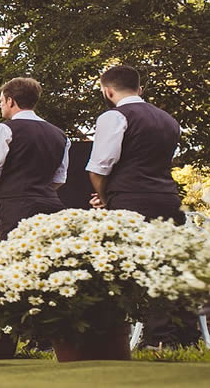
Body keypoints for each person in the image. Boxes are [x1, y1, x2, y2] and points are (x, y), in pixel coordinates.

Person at [86, 65, 198, 347]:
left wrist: (107, 197)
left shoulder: (114, 116)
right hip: (167, 198)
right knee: (166, 265)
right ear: (140, 89)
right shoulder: (168, 120)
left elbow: (98, 169)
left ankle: (156, 336)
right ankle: (182, 334)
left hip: (131, 200)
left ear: (107, 91)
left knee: (134, 266)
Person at [0, 77, 70, 239]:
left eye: (1, 101)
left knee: (18, 259)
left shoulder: (3, 130)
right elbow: (59, 179)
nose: (0, 105)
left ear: (10, 101)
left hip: (15, 208)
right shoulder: (60, 135)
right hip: (51, 205)